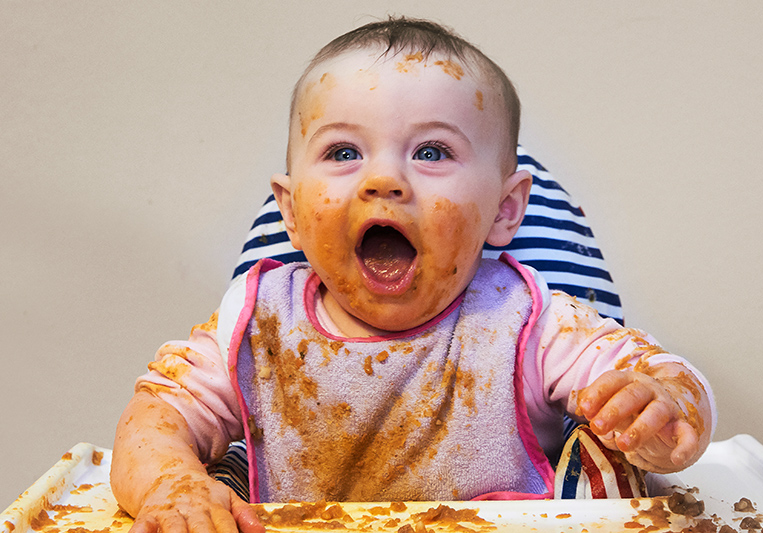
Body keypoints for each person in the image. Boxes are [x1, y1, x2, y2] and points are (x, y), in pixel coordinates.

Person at [110, 17, 715, 533]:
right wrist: (172, 485)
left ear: (505, 210)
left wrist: (660, 408)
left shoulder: (527, 323)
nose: (383, 180)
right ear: (291, 213)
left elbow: (657, 370)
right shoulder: (257, 325)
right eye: (343, 152)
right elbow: (153, 420)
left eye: (431, 152)